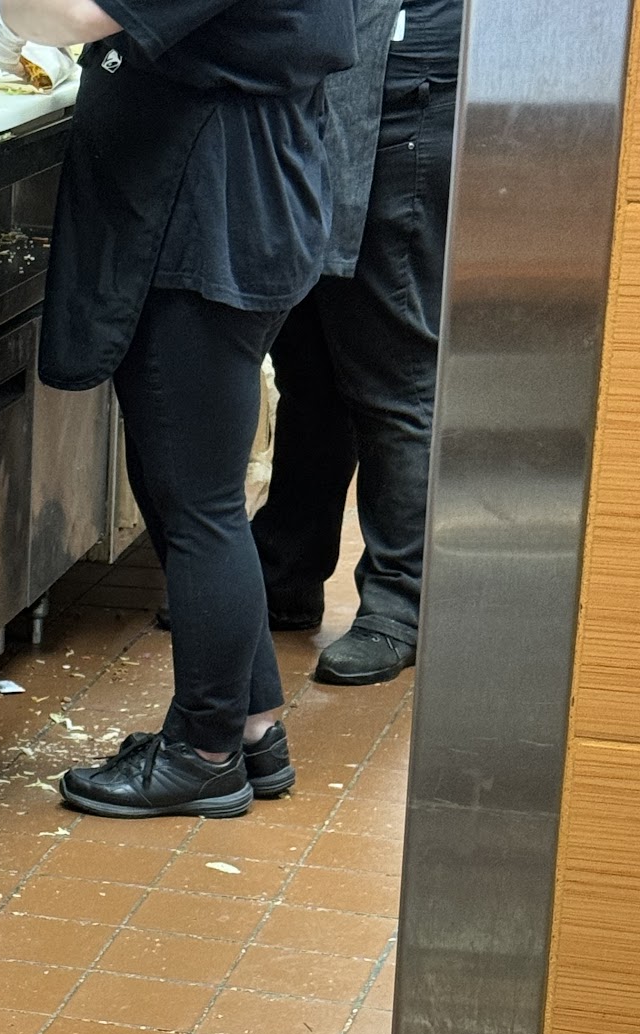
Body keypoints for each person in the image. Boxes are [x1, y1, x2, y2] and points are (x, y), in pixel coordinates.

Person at [0, 0, 357, 819]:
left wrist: (1, 16)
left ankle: (205, 756)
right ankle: (250, 727)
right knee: (185, 492)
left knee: (196, 503)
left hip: (208, 210)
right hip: (239, 190)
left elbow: (77, 11)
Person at [250, 0, 463, 685]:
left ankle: (401, 604)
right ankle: (286, 571)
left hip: (402, 85)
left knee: (393, 365)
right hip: (321, 79)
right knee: (309, 361)